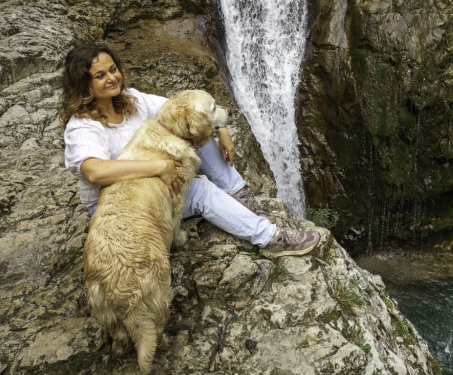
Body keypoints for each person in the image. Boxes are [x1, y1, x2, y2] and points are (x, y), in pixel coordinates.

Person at [60, 43, 319, 257]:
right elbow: (94, 172)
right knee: (200, 191)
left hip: (153, 186)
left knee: (196, 135)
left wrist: (221, 128)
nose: (112, 78)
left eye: (113, 69)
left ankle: (242, 199)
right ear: (84, 85)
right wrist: (159, 167)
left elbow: (186, 110)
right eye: (100, 76)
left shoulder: (131, 100)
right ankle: (271, 239)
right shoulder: (83, 127)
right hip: (123, 207)